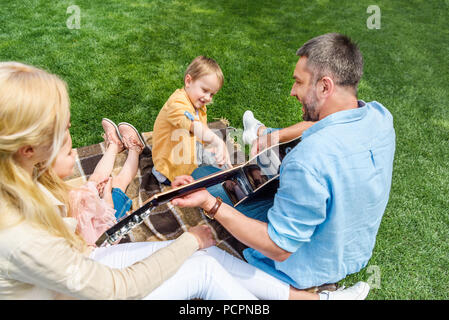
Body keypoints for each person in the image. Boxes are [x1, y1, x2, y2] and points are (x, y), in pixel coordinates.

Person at [0, 61, 264, 300]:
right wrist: (190, 239)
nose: (70, 126)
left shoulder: (21, 175)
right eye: (61, 126)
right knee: (203, 267)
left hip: (84, 262)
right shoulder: (20, 236)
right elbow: (118, 289)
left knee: (208, 254)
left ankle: (293, 296)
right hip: (86, 287)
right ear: (27, 149)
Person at [172, 33, 396, 300]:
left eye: (299, 82)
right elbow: (328, 128)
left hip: (306, 264)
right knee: (239, 174)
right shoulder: (380, 116)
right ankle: (260, 133)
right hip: (352, 251)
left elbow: (278, 247)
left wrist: (212, 205)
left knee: (205, 180)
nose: (293, 91)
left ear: (325, 87)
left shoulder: (308, 161)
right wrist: (274, 137)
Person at [51, 118, 145, 246]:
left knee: (96, 179)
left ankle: (114, 145)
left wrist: (91, 191)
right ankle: (135, 150)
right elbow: (98, 240)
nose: (74, 153)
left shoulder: (50, 193)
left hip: (87, 215)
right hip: (101, 230)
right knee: (118, 184)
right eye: (68, 153)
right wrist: (107, 202)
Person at [151, 56, 232, 185]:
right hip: (170, 169)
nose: (207, 98)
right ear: (188, 81)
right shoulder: (176, 103)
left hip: (187, 154)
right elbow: (194, 126)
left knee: (223, 168)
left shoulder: (198, 105)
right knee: (212, 184)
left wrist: (208, 146)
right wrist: (217, 141)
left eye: (212, 94)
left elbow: (200, 131)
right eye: (205, 90)